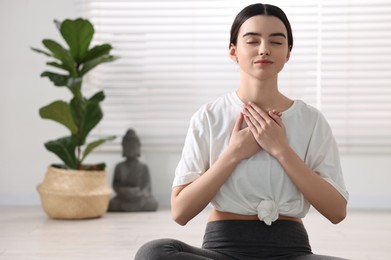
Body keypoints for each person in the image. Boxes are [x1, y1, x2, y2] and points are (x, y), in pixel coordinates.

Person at [135, 3, 349, 259]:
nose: (264, 49)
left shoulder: (311, 120)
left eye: (276, 41)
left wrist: (281, 150)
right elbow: (180, 211)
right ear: (234, 51)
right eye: (252, 40)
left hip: (291, 251)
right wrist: (234, 153)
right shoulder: (209, 117)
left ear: (288, 53)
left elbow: (337, 211)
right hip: (222, 250)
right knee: (154, 253)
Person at [108, 129, 158, 212]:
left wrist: (139, 194)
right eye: (127, 146)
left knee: (152, 203)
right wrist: (122, 192)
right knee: (112, 204)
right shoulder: (119, 167)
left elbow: (147, 187)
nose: (130, 149)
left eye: (133, 146)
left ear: (138, 147)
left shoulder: (143, 167)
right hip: (123, 198)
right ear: (123, 148)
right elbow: (115, 185)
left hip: (139, 198)